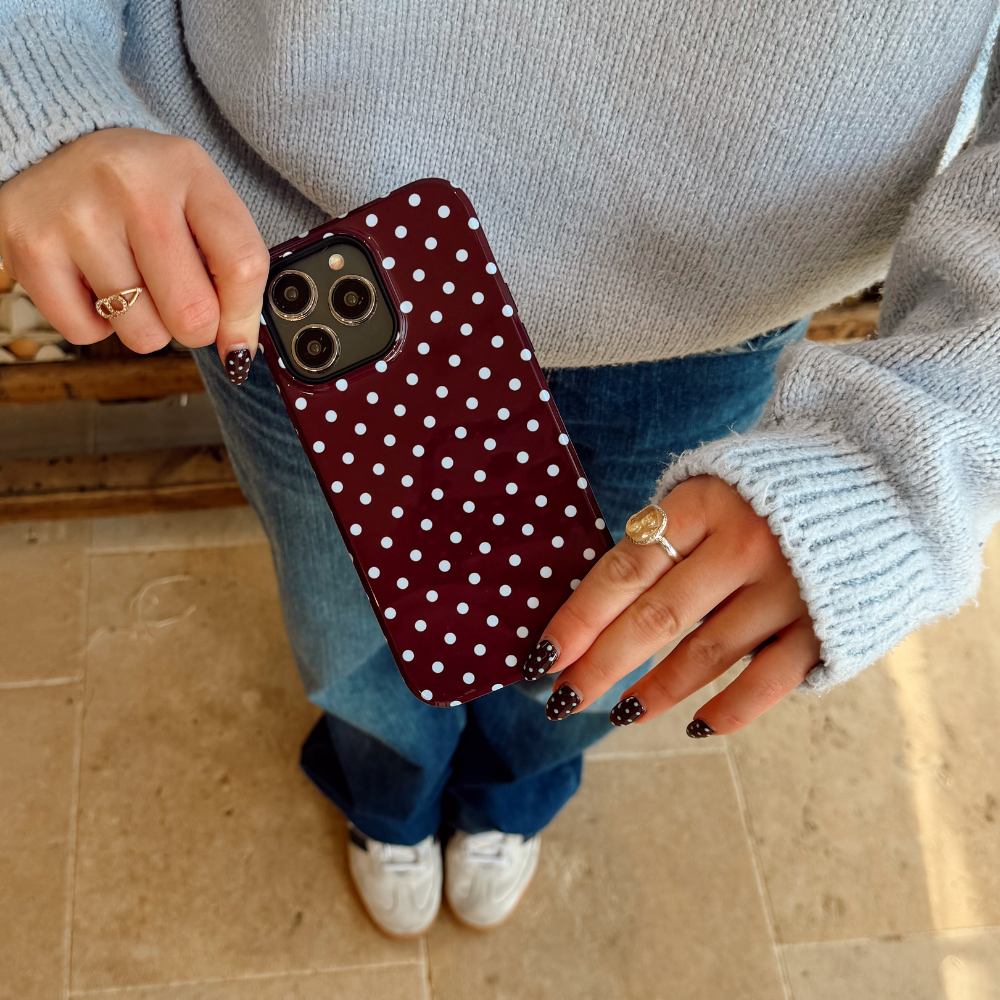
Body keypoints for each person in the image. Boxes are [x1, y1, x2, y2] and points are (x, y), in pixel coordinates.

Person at [1, 1, 998, 938]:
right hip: (294, 251)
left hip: (705, 303)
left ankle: (514, 790)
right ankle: (389, 795)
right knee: (346, 619)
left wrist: (932, 430)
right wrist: (36, 66)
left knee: (596, 638)